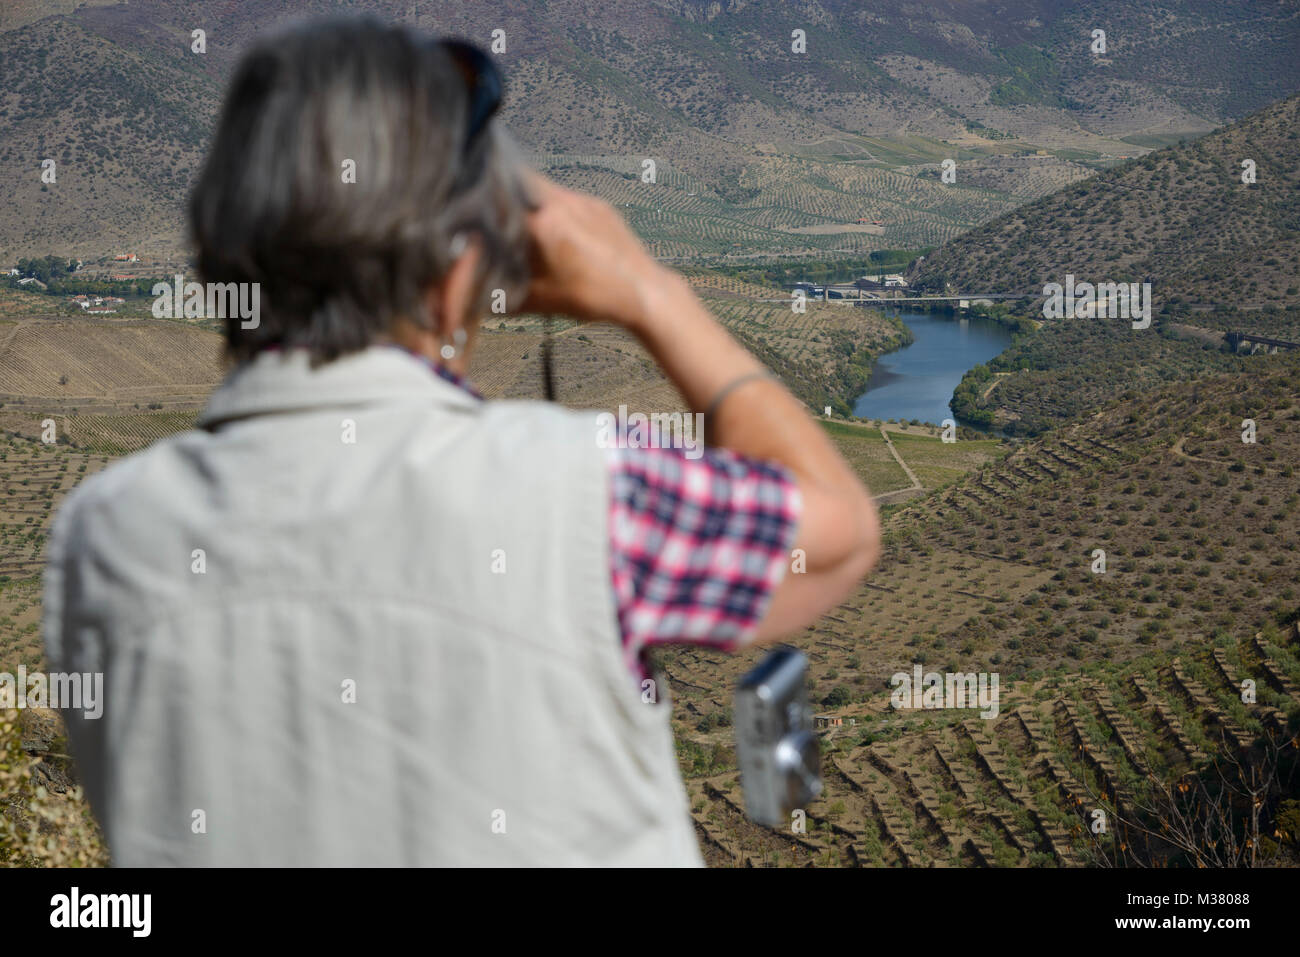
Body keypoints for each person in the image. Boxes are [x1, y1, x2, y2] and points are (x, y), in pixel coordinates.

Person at [42, 16, 879, 866]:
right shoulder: (585, 489)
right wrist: (650, 295)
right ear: (453, 275)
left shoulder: (99, 536)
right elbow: (839, 533)